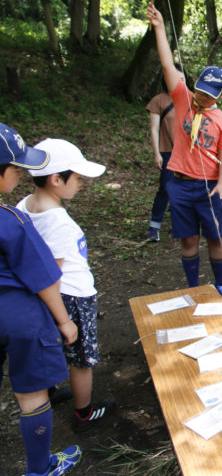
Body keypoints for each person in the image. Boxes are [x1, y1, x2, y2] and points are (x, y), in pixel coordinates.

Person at [16, 138, 115, 433]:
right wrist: (65, 320)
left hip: (52, 298)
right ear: (56, 179)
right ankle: (84, 413)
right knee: (82, 357)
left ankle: (49, 392)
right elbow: (51, 276)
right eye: (77, 176)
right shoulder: (58, 222)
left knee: (51, 346)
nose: (82, 181)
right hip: (71, 297)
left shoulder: (25, 205)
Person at [0, 124, 82, 476]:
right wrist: (64, 320)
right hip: (21, 319)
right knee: (32, 394)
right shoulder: (13, 221)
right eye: (15, 168)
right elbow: (45, 277)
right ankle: (40, 468)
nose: (20, 173)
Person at [146, 3, 222, 302]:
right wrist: (160, 28)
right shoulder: (183, 98)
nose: (201, 96)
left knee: (215, 237)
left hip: (209, 187)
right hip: (180, 182)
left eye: (209, 94)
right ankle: (192, 287)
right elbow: (167, 65)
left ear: (221, 95)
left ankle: (221, 284)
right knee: (188, 239)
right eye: (200, 89)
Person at [145, 63, 185, 242]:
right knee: (166, 188)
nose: (180, 81)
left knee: (185, 188)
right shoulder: (159, 100)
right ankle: (154, 226)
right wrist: (157, 153)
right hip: (168, 151)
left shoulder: (190, 99)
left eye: (182, 78)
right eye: (177, 78)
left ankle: (181, 223)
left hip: (188, 153)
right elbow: (154, 129)